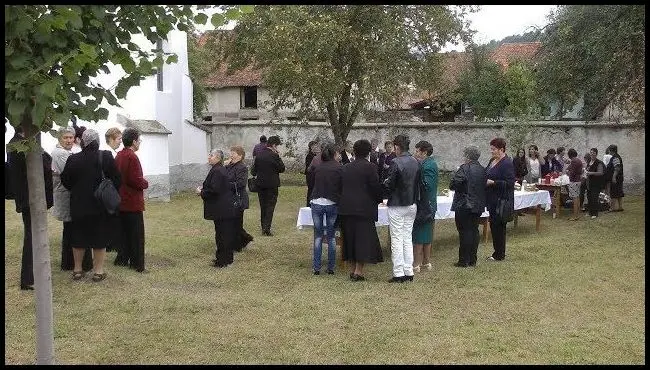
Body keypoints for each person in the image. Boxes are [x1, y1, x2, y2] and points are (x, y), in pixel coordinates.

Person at [61, 129, 121, 282]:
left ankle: (78, 270)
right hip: (100, 205)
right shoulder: (106, 156)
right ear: (97, 141)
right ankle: (98, 272)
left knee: (78, 237)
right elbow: (117, 179)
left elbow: (66, 181)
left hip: (78, 205)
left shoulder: (73, 159)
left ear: (83, 142)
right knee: (99, 238)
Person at [7, 126, 54, 290]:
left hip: (27, 197)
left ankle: (31, 275)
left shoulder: (16, 143)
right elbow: (45, 163)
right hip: (29, 198)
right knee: (31, 236)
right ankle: (28, 278)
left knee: (32, 235)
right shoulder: (20, 145)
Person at [339, 140, 384, 281]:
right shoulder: (370, 167)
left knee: (350, 239)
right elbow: (375, 187)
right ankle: (358, 271)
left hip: (346, 208)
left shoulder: (345, 167)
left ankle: (352, 270)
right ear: (368, 152)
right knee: (362, 240)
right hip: (364, 209)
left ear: (354, 152)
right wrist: (379, 199)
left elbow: (340, 187)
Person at [51, 126, 92, 271]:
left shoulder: (67, 152)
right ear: (60, 139)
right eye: (65, 138)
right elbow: (72, 172)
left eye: (71, 137)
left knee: (70, 229)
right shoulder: (60, 153)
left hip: (69, 195)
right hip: (66, 196)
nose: (69, 140)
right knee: (71, 229)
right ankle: (70, 263)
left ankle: (69, 262)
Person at [383, 134, 420, 283]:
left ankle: (398, 272)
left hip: (398, 204)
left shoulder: (396, 162)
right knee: (407, 237)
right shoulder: (416, 161)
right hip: (411, 203)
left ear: (397, 147)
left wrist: (385, 182)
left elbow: (389, 184)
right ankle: (408, 271)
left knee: (397, 239)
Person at [113, 128, 149, 272]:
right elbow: (135, 179)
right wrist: (145, 183)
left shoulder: (119, 155)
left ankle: (122, 259)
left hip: (121, 200)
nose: (139, 143)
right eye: (139, 140)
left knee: (124, 233)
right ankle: (137, 264)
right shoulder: (131, 156)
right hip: (132, 201)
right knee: (136, 235)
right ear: (134, 141)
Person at [198, 149, 240, 268]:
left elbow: (214, 190)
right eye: (209, 155)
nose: (209, 157)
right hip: (223, 208)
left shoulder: (218, 170)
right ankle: (223, 258)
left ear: (218, 158)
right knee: (222, 234)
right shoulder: (218, 169)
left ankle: (224, 260)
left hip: (222, 209)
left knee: (223, 235)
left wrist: (201, 192)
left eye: (211, 155)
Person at [309, 142, 343, 275]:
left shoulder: (318, 167)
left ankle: (316, 267)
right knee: (331, 237)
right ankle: (331, 267)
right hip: (332, 203)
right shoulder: (339, 167)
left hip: (316, 201)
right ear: (335, 154)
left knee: (317, 236)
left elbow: (311, 181)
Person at [450, 146, 487, 267]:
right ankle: (472, 259)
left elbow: (454, 184)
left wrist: (454, 177)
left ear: (467, 156)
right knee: (474, 230)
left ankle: (463, 260)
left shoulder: (464, 168)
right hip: (477, 204)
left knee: (464, 231)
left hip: (464, 204)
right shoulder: (482, 169)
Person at [485, 137, 515, 262]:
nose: (491, 151)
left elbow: (509, 183)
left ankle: (499, 254)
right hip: (491, 199)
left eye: (494, 149)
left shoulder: (507, 163)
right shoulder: (492, 160)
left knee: (499, 227)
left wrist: (493, 182)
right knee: (493, 225)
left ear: (501, 149)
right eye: (491, 149)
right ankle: (497, 251)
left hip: (501, 200)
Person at [412, 140, 438, 273]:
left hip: (425, 205)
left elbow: (426, 185)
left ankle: (417, 263)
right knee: (426, 234)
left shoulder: (428, 166)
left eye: (417, 151)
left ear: (425, 152)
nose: (415, 153)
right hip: (428, 204)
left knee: (419, 235)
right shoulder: (427, 164)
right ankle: (426, 262)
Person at [251, 135, 285, 236]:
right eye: (277, 146)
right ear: (274, 145)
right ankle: (267, 228)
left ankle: (263, 227)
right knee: (270, 206)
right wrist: (278, 156)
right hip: (272, 185)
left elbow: (253, 171)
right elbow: (282, 168)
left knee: (263, 206)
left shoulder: (259, 155)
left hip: (260, 184)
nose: (277, 148)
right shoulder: (274, 156)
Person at [225, 145, 254, 252]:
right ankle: (244, 240)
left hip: (238, 199)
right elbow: (223, 176)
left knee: (236, 223)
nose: (231, 155)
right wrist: (226, 166)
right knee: (231, 223)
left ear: (240, 156)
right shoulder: (229, 166)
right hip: (229, 199)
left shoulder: (242, 168)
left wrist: (226, 184)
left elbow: (241, 184)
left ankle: (239, 244)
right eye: (231, 153)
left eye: (233, 153)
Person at [103, 127, 123, 253]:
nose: (120, 141)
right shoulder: (107, 153)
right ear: (111, 139)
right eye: (119, 139)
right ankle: (110, 243)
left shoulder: (113, 153)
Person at [584, 148, 605, 219]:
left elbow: (600, 173)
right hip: (588, 183)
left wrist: (590, 173)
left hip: (596, 183)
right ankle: (590, 212)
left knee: (594, 198)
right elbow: (587, 170)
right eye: (591, 152)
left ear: (596, 154)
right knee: (589, 197)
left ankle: (595, 213)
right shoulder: (589, 162)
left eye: (593, 153)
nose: (592, 154)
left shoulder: (599, 162)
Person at [565, 148, 584, 221]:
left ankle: (575, 215)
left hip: (574, 181)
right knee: (577, 198)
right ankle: (577, 214)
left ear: (569, 155)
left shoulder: (573, 161)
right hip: (578, 180)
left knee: (574, 199)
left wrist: (567, 173)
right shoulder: (578, 160)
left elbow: (572, 173)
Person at [606, 144, 624, 212]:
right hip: (619, 178)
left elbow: (617, 168)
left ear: (611, 150)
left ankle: (612, 208)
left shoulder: (615, 157)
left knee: (613, 192)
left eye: (609, 150)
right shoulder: (616, 156)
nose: (608, 151)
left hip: (616, 178)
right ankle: (620, 207)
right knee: (619, 192)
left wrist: (613, 177)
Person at [304, 140, 320, 207]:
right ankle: (309, 205)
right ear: (311, 147)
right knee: (311, 191)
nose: (316, 148)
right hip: (311, 176)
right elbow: (310, 167)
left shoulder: (317, 155)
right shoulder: (309, 156)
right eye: (314, 146)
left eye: (317, 146)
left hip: (316, 175)